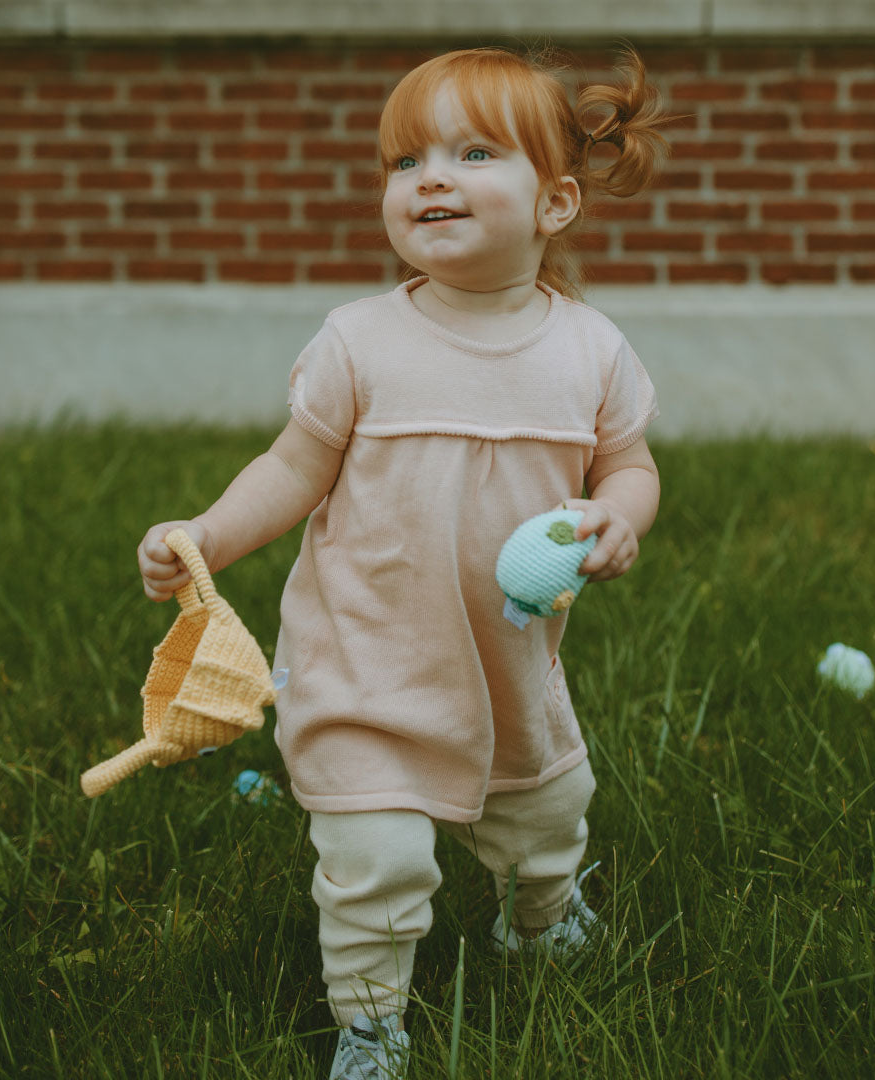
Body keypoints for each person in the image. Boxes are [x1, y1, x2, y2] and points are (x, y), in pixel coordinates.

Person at [138, 44, 667, 1080]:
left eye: (472, 152)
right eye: (403, 160)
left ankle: (541, 920)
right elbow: (293, 468)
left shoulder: (590, 349)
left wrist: (619, 516)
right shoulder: (359, 342)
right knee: (376, 862)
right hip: (364, 658)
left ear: (554, 202)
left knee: (546, 814)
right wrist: (205, 533)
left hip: (508, 660)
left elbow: (630, 462)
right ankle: (371, 1026)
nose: (428, 177)